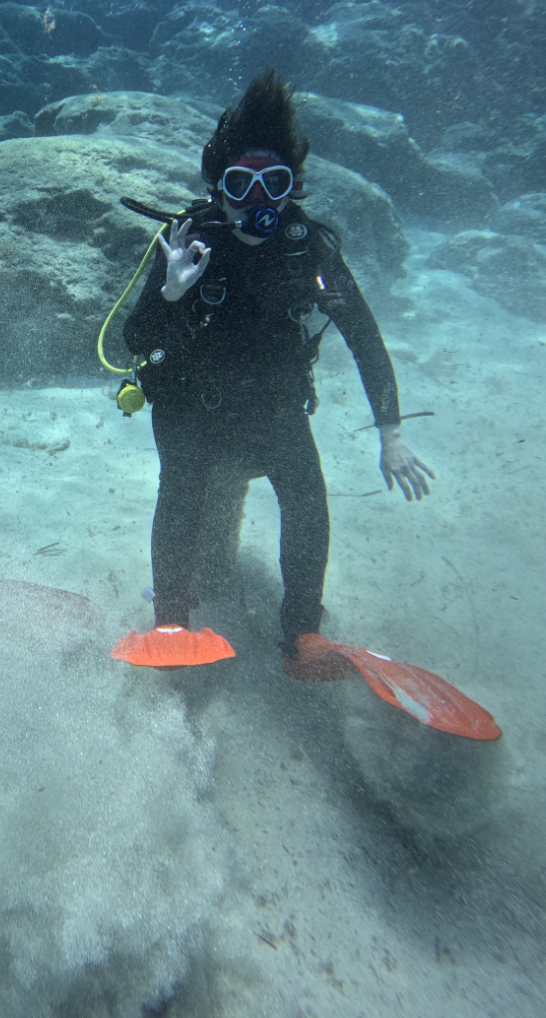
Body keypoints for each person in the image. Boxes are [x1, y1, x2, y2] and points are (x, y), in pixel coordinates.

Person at [122, 71, 433, 668]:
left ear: (292, 187)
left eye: (275, 184)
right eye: (241, 184)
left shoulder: (307, 247)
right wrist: (169, 292)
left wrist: (391, 433)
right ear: (219, 187)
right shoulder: (188, 238)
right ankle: (169, 624)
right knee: (181, 496)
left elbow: (364, 336)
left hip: (273, 407)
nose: (258, 201)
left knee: (308, 500)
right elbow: (136, 339)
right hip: (191, 405)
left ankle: (303, 637)